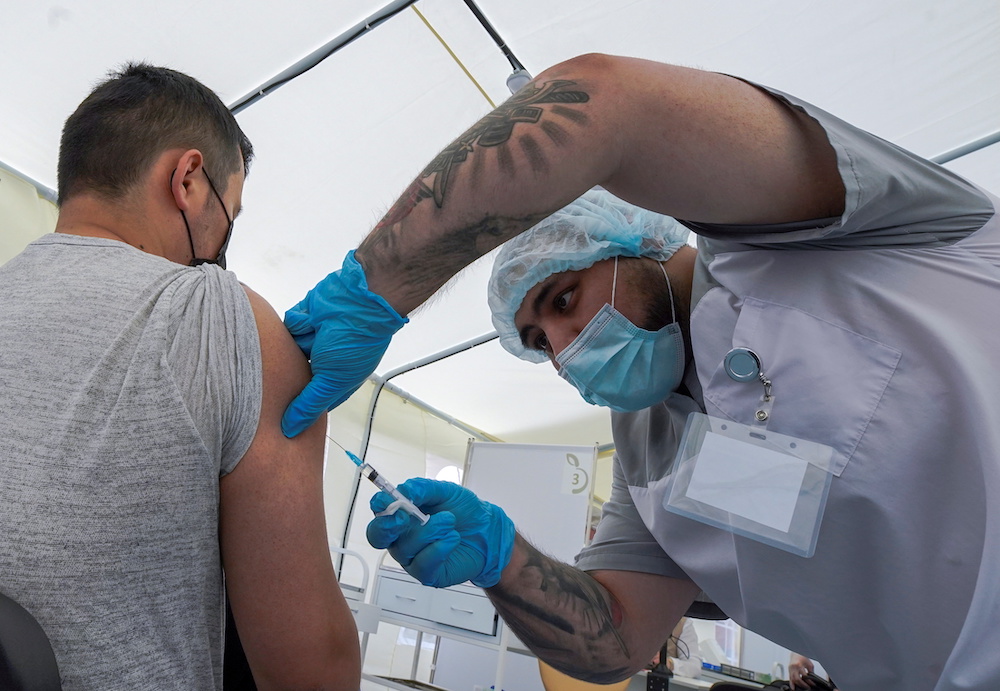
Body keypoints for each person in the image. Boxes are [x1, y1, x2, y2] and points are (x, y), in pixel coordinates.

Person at [282, 53, 1000, 691]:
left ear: (635, 237)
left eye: (564, 300)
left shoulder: (815, 236)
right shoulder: (650, 452)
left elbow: (608, 102)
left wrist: (379, 283)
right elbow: (617, 639)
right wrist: (500, 559)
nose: (564, 349)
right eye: (539, 342)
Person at [0, 64, 360, 690]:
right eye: (231, 211)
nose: (225, 239)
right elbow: (311, 672)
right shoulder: (218, 314)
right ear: (188, 179)